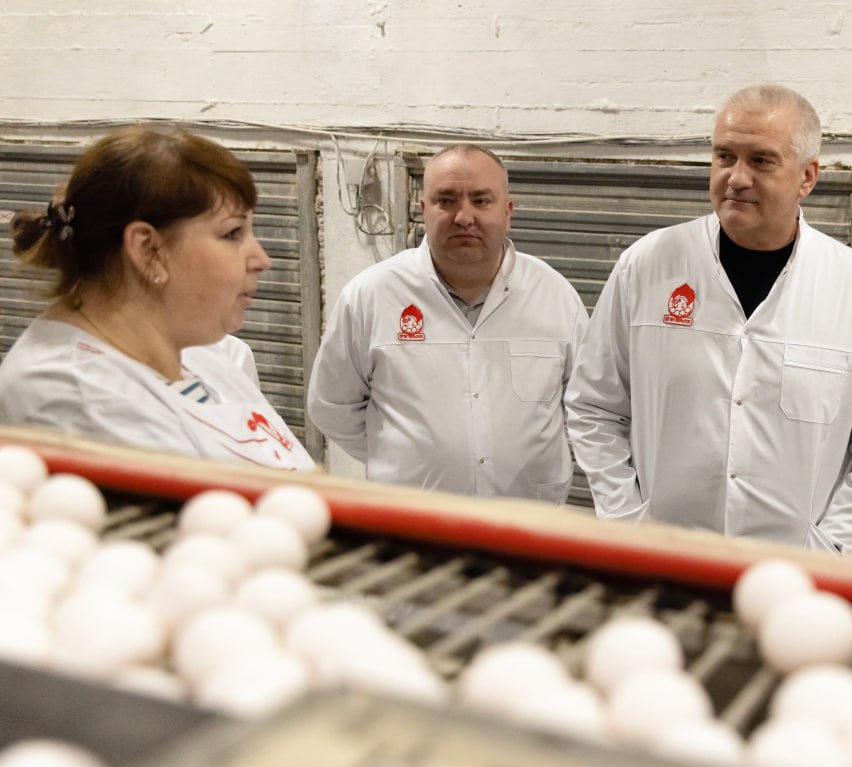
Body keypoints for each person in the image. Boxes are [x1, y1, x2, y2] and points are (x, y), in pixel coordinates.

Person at [564, 84, 852, 553]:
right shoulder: (648, 265)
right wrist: (626, 521)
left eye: (761, 160)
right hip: (661, 556)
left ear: (807, 177)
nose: (736, 178)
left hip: (793, 569)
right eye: (724, 157)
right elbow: (594, 407)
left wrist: (830, 548)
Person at [0, 127, 313, 471]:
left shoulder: (196, 350)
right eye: (232, 233)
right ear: (148, 249)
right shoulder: (73, 395)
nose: (262, 260)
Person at [307, 144, 588, 501]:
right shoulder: (371, 296)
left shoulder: (554, 295)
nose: (464, 217)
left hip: (527, 517)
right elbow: (332, 406)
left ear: (507, 212)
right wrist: (400, 460)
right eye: (446, 200)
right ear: (424, 209)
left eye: (481, 200)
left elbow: (589, 406)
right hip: (412, 519)